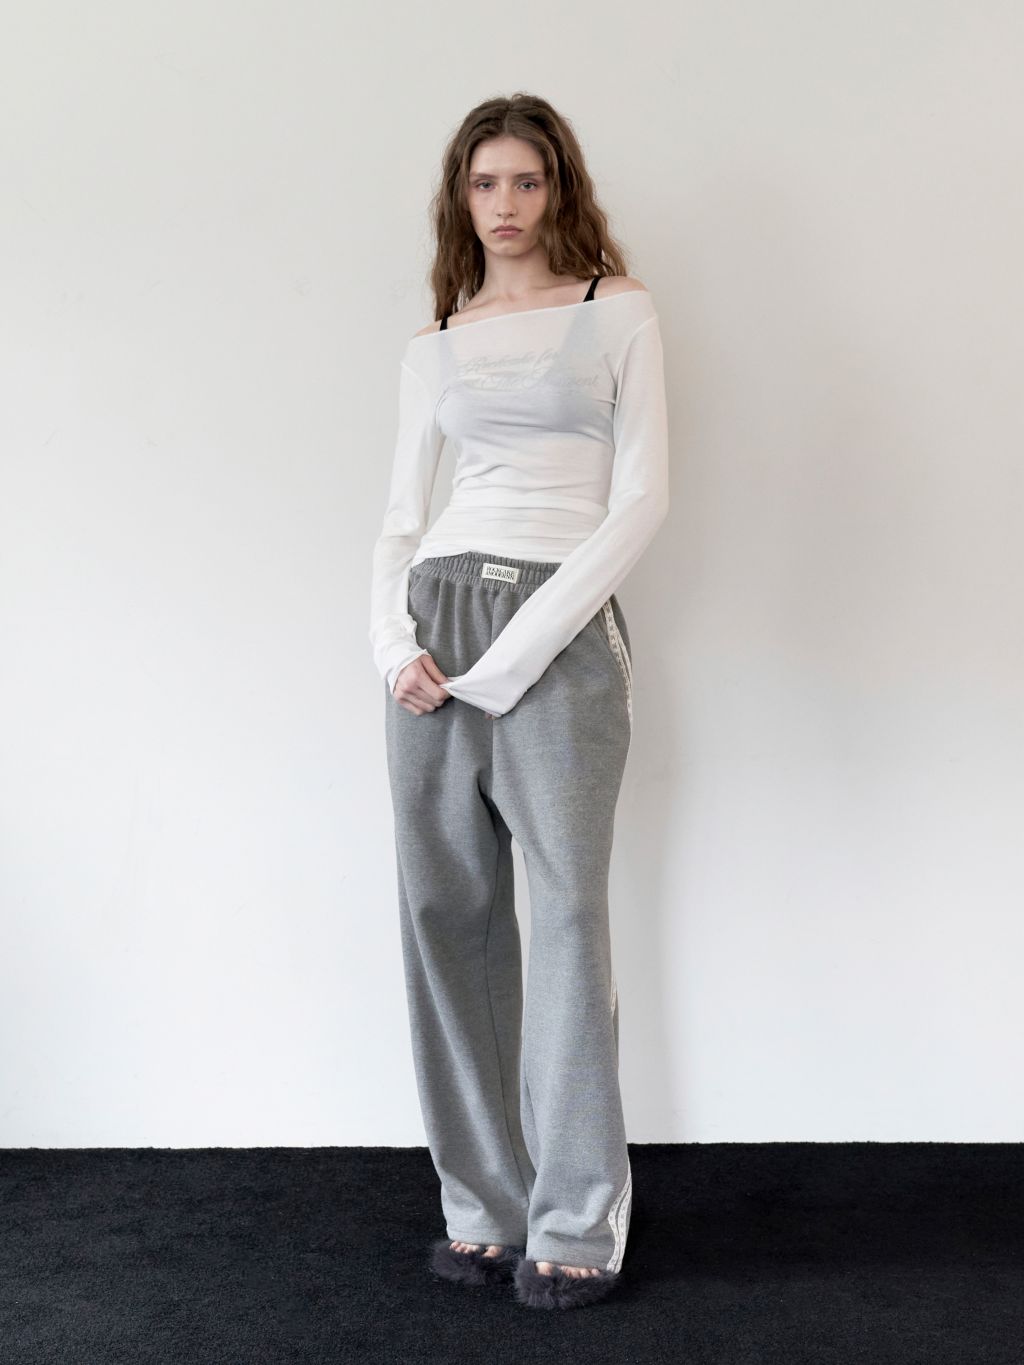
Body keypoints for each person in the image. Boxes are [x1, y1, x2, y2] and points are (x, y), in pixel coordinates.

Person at [368, 92, 670, 1311]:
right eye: (484, 183)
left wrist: (512, 659)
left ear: (559, 190)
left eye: (526, 182)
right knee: (443, 915)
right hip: (435, 622)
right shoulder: (434, 340)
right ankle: (481, 1208)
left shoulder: (617, 310)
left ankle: (577, 1219)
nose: (505, 205)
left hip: (561, 622)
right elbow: (400, 515)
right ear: (461, 196)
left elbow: (640, 499)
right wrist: (392, 644)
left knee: (567, 916)